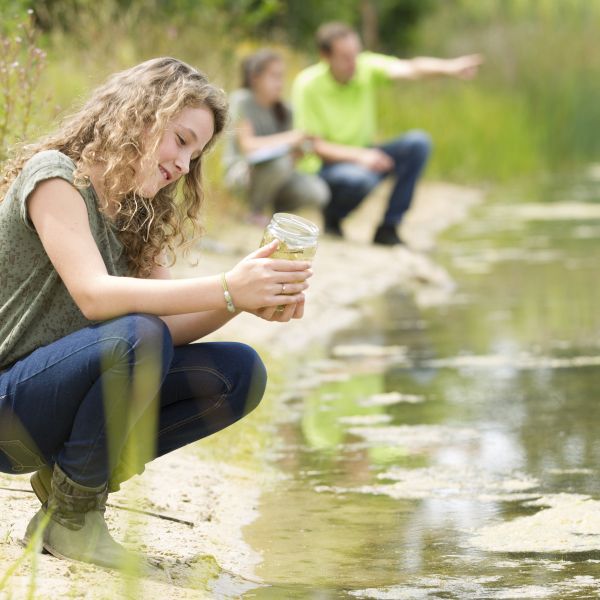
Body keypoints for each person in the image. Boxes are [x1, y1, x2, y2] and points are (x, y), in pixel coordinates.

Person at [0, 57, 312, 569]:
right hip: (11, 406)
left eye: (198, 153)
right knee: (137, 334)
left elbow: (171, 331)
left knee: (237, 373)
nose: (186, 165)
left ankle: (69, 496)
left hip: (65, 404)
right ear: (140, 116)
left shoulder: (139, 213)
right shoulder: (54, 177)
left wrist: (242, 303)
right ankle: (73, 521)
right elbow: (94, 295)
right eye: (182, 140)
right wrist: (227, 287)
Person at [292, 21, 482, 245]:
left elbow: (411, 68)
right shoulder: (307, 84)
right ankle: (333, 216)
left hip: (365, 154)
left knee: (418, 143)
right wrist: (361, 157)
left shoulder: (365, 67)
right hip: (325, 167)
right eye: (345, 57)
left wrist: (449, 68)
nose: (353, 63)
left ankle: (389, 227)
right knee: (361, 178)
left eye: (356, 54)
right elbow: (312, 146)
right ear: (325, 56)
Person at [223, 48, 329, 225]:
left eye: (282, 77)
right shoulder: (242, 101)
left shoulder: (286, 111)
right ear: (255, 78)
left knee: (318, 191)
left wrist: (300, 150)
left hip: (278, 175)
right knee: (280, 164)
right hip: (242, 173)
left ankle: (275, 216)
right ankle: (253, 212)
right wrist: (289, 138)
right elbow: (247, 146)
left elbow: (289, 160)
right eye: (274, 76)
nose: (280, 83)